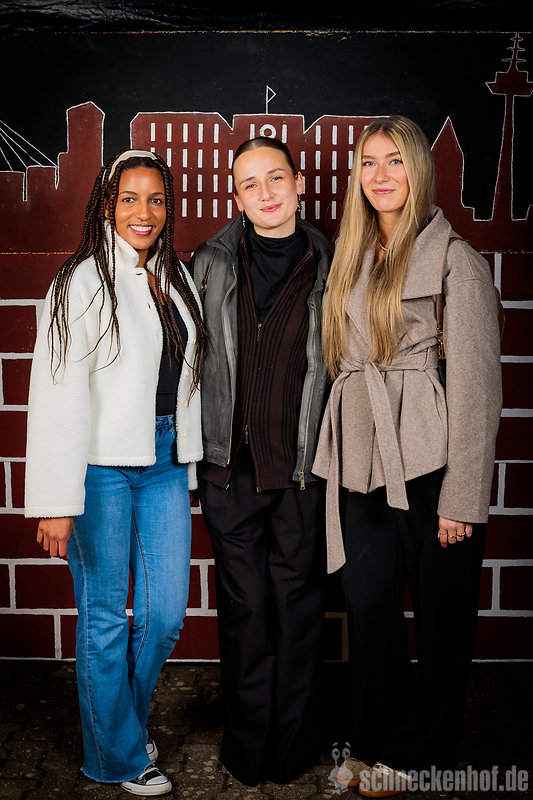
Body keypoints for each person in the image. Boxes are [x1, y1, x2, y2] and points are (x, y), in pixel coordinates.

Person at [313, 116, 502, 796]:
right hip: (361, 457)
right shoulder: (351, 256)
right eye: (368, 163)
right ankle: (373, 740)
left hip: (430, 462)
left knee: (442, 618)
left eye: (394, 161)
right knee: (367, 608)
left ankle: (421, 751)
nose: (380, 175)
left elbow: (478, 388)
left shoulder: (456, 261)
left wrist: (462, 497)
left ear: (418, 169)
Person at [24, 149, 207, 797]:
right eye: (129, 198)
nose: (143, 212)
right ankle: (117, 757)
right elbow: (55, 392)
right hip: (98, 468)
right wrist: (55, 498)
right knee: (104, 618)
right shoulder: (78, 282)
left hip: (163, 461)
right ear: (106, 206)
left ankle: (117, 728)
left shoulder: (174, 277)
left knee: (164, 615)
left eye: (155, 199)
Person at [190, 136, 333, 786]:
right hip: (231, 470)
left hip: (301, 469)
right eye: (250, 183)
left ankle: (293, 746)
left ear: (299, 183)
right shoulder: (212, 261)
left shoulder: (333, 261)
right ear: (237, 197)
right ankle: (249, 748)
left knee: (298, 610)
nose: (265, 192)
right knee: (245, 610)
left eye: (276, 177)